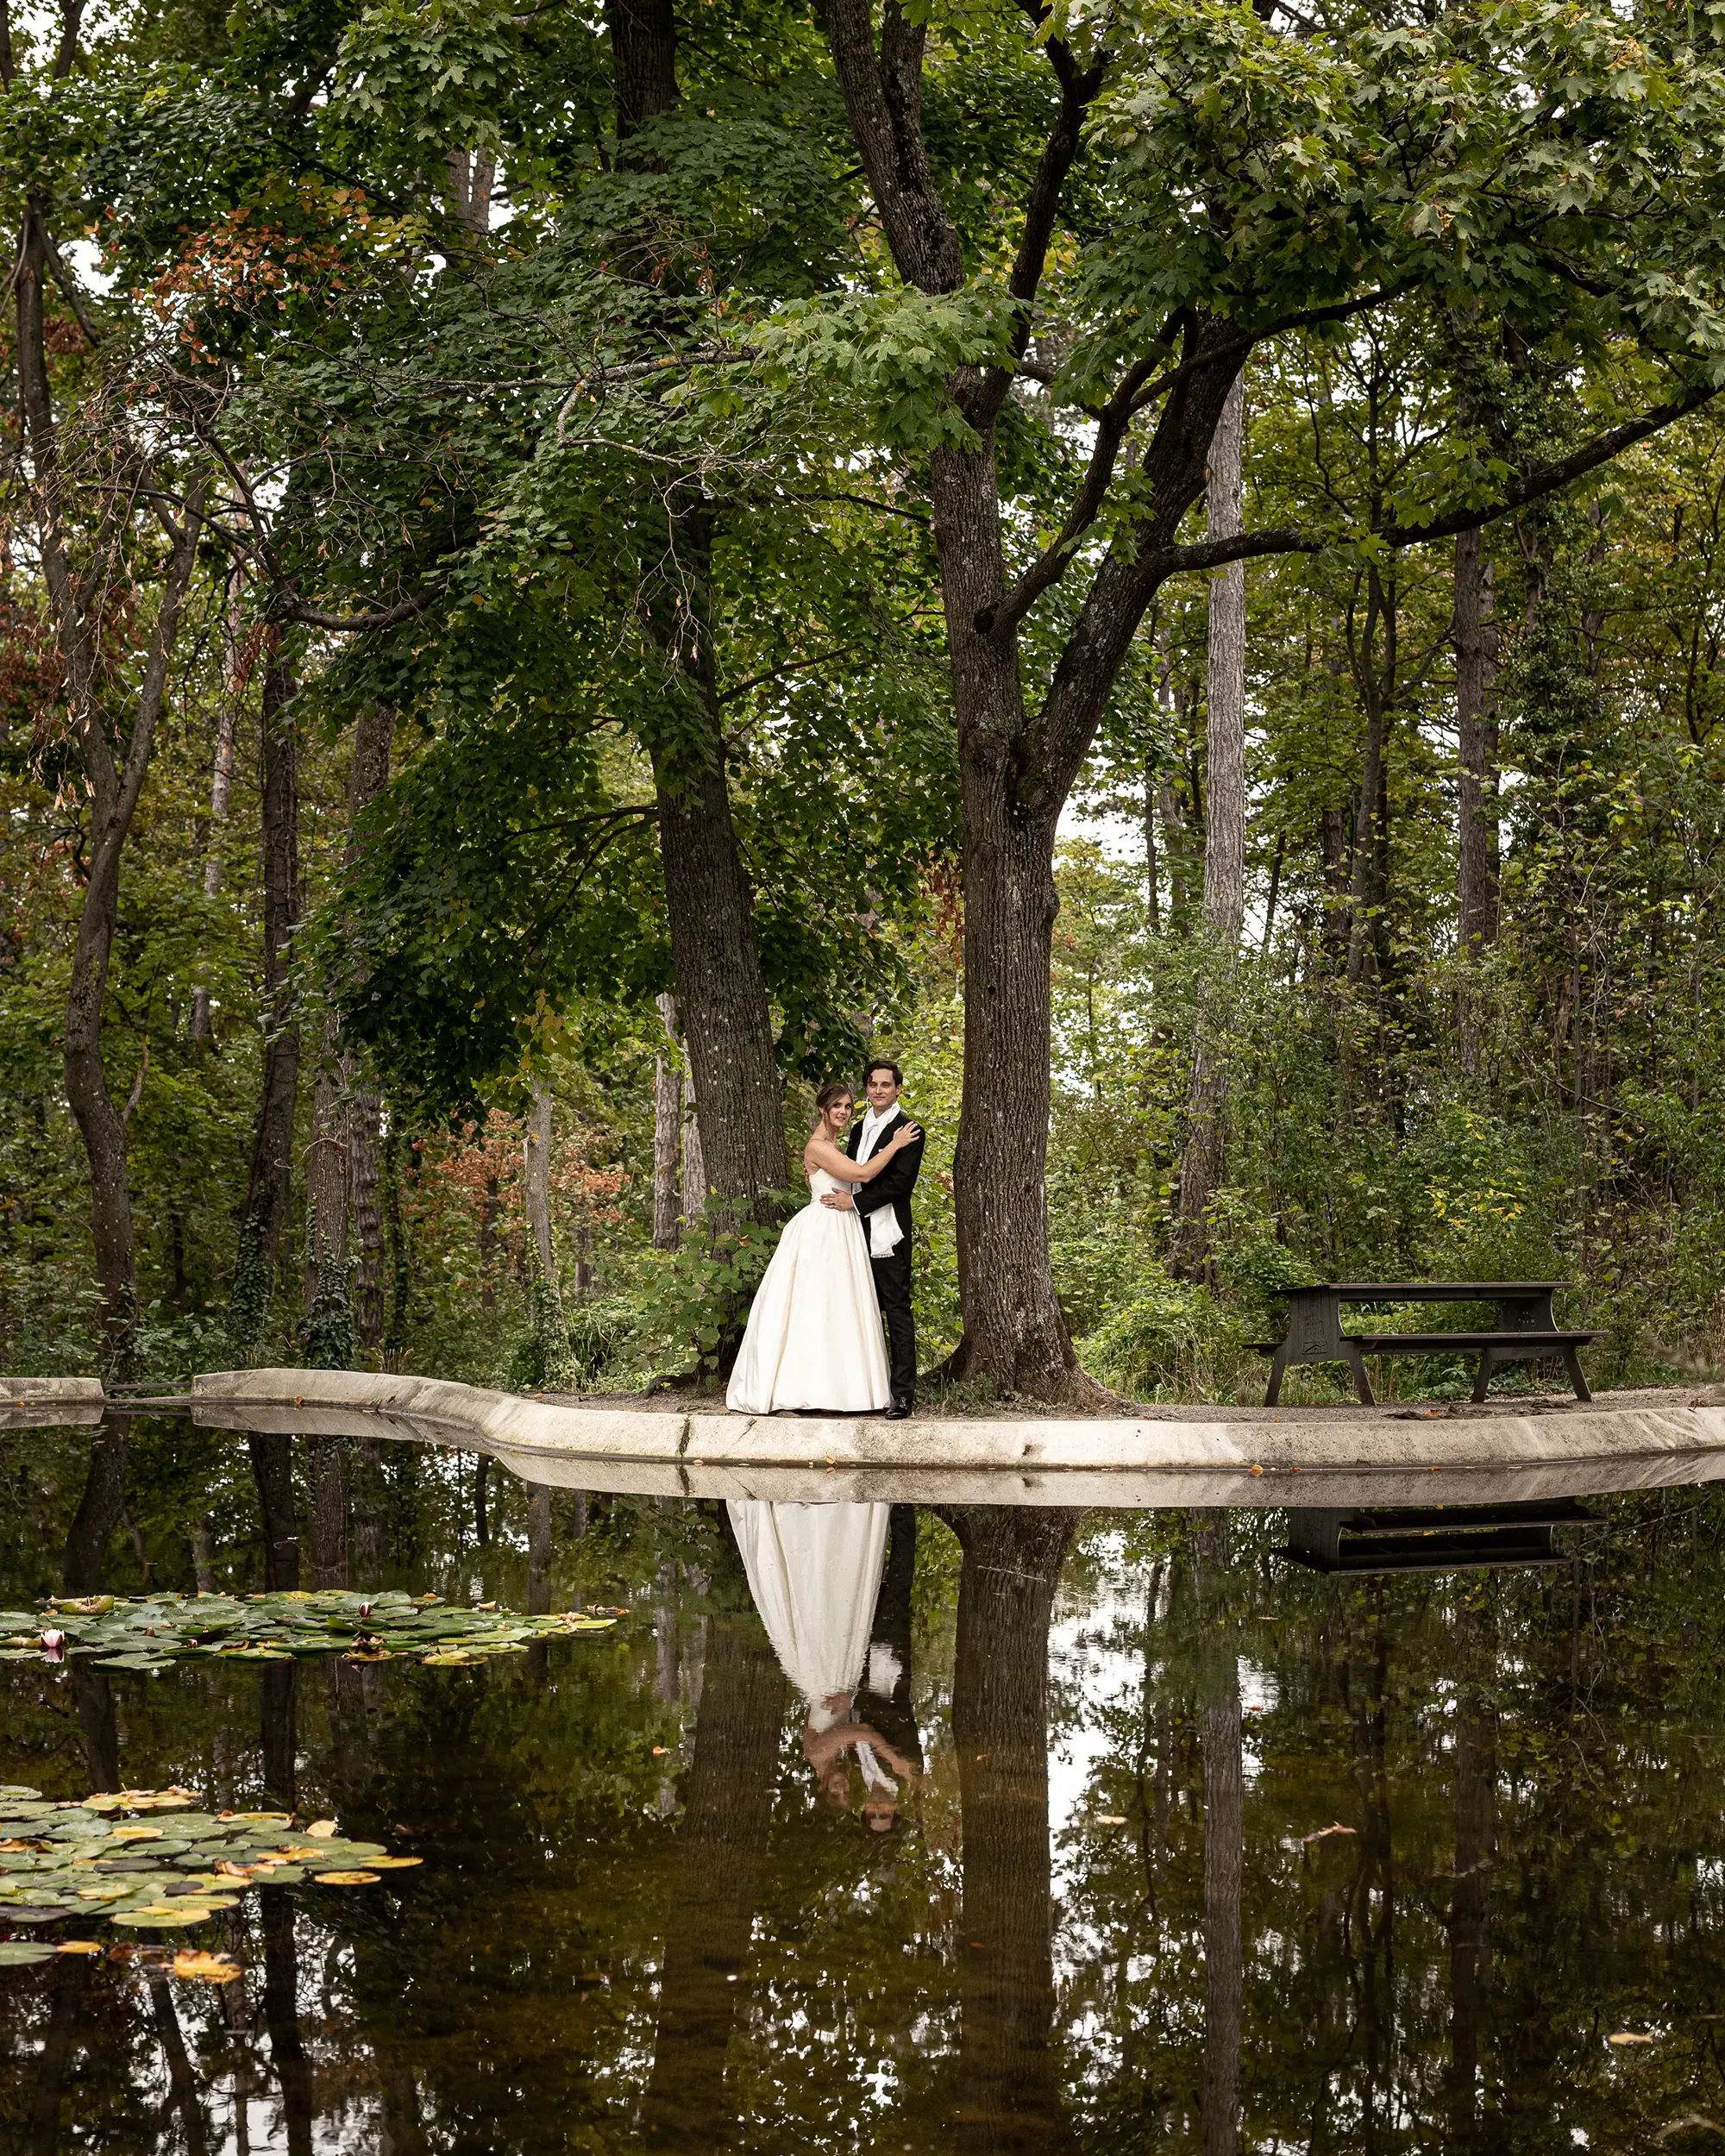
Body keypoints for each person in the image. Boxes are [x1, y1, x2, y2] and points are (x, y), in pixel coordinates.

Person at [725, 1081, 921, 1414]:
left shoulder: (836, 1144)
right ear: (823, 1109)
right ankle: (807, 1388)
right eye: (837, 1107)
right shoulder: (818, 1146)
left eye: (847, 1106)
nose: (843, 1112)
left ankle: (843, 1388)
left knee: (839, 1307)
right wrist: (895, 1143)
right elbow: (860, 1173)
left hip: (844, 1227)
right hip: (824, 1230)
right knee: (816, 1306)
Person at [823, 1060, 925, 1420]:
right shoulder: (858, 1127)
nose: (878, 1090)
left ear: (898, 1088)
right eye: (872, 1084)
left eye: (886, 1084)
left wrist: (856, 1201)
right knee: (858, 1307)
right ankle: (859, 1387)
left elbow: (900, 1185)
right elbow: (851, 1170)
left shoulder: (909, 1130)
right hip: (852, 1230)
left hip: (887, 1231)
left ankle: (902, 1396)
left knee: (896, 1309)